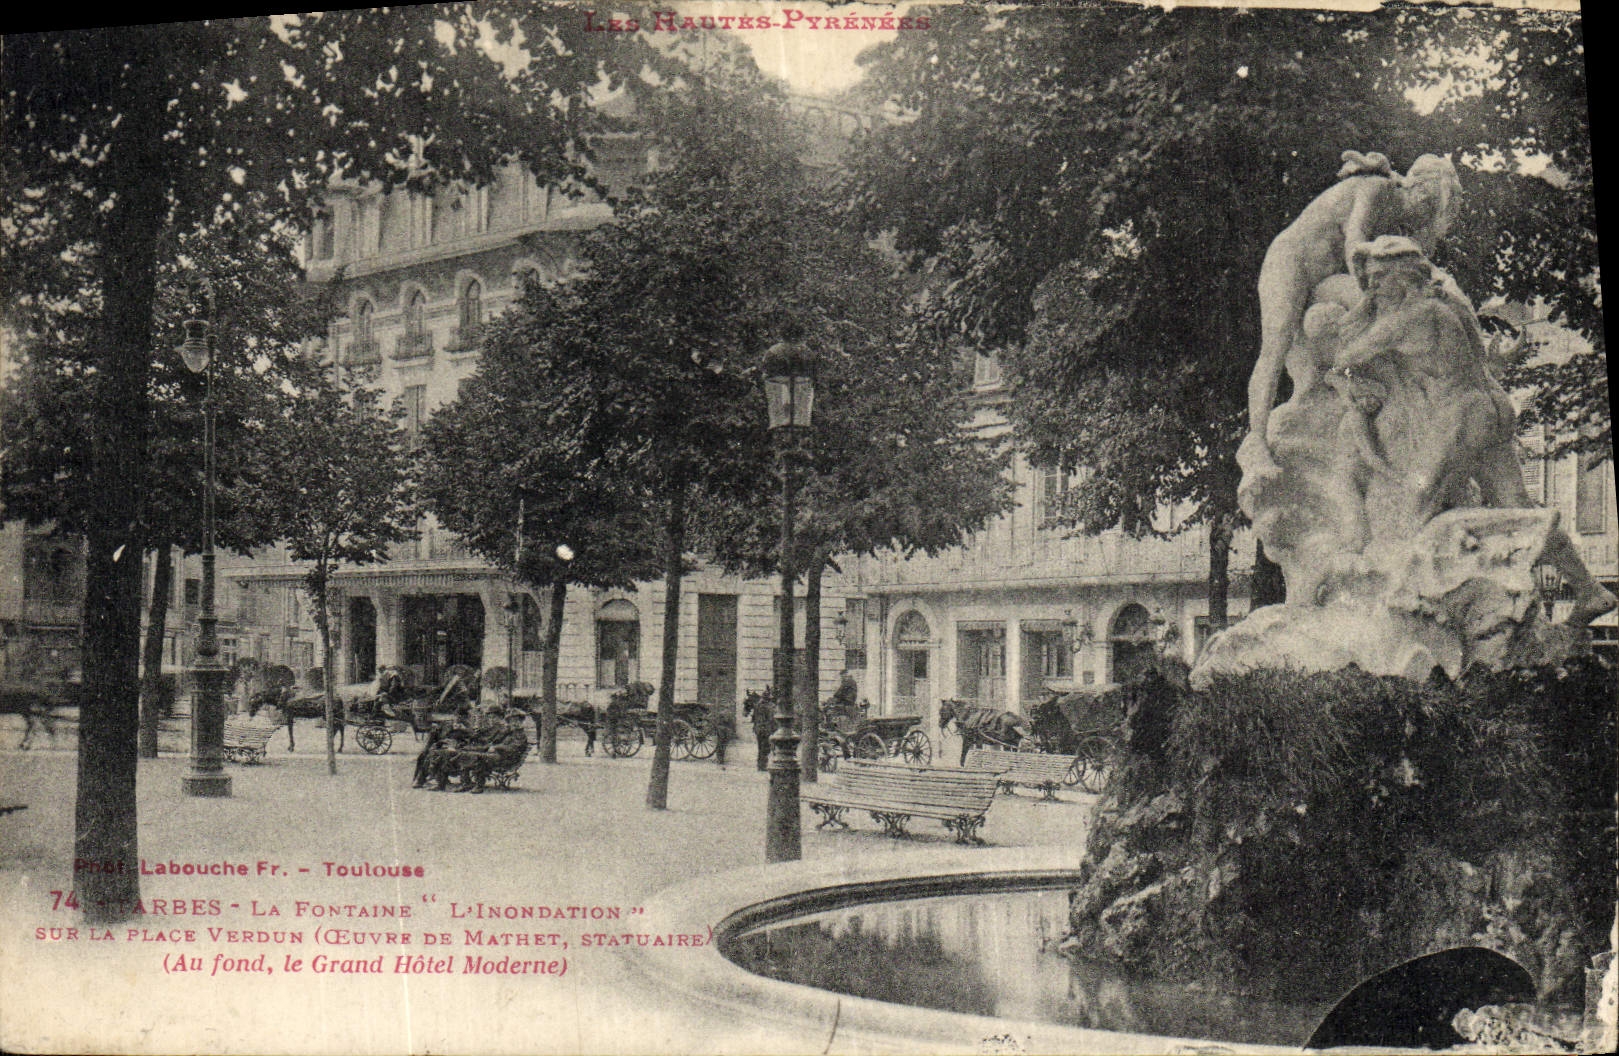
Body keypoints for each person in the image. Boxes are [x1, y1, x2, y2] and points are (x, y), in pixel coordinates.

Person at [1327, 237, 1616, 625]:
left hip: (1460, 415)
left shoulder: (1413, 315)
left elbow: (1345, 355)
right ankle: (1589, 589)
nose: (1373, 287)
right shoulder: (1451, 306)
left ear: (1403, 276)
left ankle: (1417, 616)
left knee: (1415, 513)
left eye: (1379, 277)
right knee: (1517, 504)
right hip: (1492, 409)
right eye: (1370, 280)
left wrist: (1361, 309)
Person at [1244, 151, 1462, 479]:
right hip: (1291, 262)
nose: (1423, 221)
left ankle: (1350, 381)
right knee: (1276, 347)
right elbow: (1355, 247)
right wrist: (1374, 299)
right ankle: (1255, 443)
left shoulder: (1399, 221)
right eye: (1428, 210)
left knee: (1348, 345)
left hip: (1326, 278)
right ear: (1419, 192)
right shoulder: (1377, 189)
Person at [442, 707, 529, 794]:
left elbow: (513, 748)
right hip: (498, 755)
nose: (513, 723)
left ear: (521, 721)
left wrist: (496, 747)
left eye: (516, 720)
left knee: (476, 756)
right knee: (467, 754)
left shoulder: (520, 734)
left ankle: (478, 786)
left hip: (506, 758)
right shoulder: (511, 732)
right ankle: (466, 783)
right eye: (511, 720)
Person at [413, 703, 474, 788]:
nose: (458, 719)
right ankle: (420, 780)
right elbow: (441, 735)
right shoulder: (448, 724)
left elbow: (472, 737)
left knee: (436, 755)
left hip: (458, 748)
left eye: (461, 717)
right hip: (444, 745)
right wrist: (440, 736)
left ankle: (424, 780)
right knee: (425, 755)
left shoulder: (468, 726)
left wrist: (464, 729)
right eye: (456, 716)